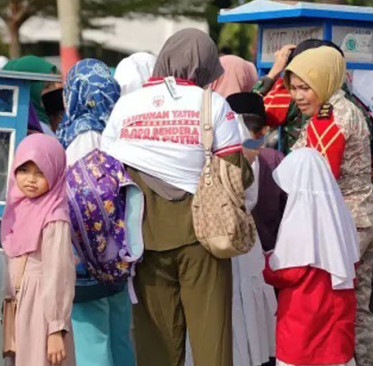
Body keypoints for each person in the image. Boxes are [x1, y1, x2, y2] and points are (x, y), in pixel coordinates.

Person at [102, 28, 253, 366]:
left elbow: (109, 169)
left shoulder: (126, 105)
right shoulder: (213, 105)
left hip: (144, 239)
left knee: (156, 342)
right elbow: (234, 175)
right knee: (211, 338)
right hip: (205, 239)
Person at [285, 46, 373, 366]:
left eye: (305, 87)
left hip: (343, 227)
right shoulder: (344, 108)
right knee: (358, 310)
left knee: (330, 309)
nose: (297, 96)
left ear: (324, 80)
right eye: (293, 88)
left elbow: (316, 178)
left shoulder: (330, 117)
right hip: (364, 218)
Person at [56, 58, 137, 366]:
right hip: (119, 249)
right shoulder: (116, 127)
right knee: (119, 334)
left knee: (93, 338)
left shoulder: (81, 132)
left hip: (88, 254)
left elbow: (83, 197)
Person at [264, 148, 361, 366]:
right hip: (337, 313)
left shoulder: (300, 217)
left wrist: (265, 263)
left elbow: (288, 271)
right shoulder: (339, 215)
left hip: (303, 320)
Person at [0, 134, 76, 366]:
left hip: (42, 308)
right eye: (24, 170)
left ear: (54, 172)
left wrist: (55, 329)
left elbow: (59, 275)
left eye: (40, 172)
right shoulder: (18, 207)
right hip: (19, 305)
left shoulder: (54, 217)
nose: (30, 180)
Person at [253, 40, 373, 171]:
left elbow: (250, 116)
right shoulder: (357, 106)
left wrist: (273, 73)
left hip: (305, 180)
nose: (298, 95)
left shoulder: (293, 98)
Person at [227, 92, 279, 366]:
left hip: (236, 245)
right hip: (247, 246)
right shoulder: (256, 158)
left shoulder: (251, 158)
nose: (261, 137)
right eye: (259, 129)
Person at [227, 92, 287, 252]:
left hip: (226, 246)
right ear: (262, 131)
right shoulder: (275, 159)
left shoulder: (215, 159)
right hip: (272, 251)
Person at [3, 56, 60, 134]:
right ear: (31, 90)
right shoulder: (33, 130)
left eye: (54, 85)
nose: (53, 91)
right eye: (48, 86)